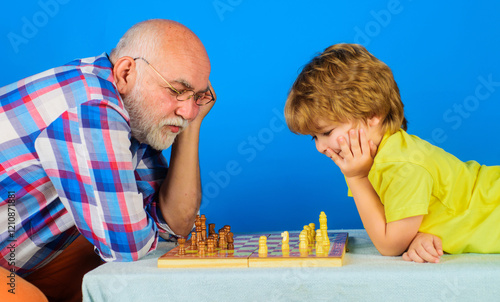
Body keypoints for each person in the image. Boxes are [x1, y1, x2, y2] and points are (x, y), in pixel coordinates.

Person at [0, 19, 215, 301]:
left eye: (198, 97)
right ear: (126, 72)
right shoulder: (92, 107)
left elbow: (175, 226)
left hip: (14, 255)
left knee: (98, 267)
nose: (188, 110)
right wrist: (140, 228)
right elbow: (128, 246)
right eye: (176, 91)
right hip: (12, 258)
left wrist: (193, 126)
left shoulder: (137, 116)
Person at [284, 43, 500, 264]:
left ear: (372, 114)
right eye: (314, 137)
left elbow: (389, 245)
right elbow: (394, 224)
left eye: (326, 132)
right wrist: (415, 236)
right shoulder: (379, 157)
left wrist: (356, 178)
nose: (320, 147)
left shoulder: (401, 165)